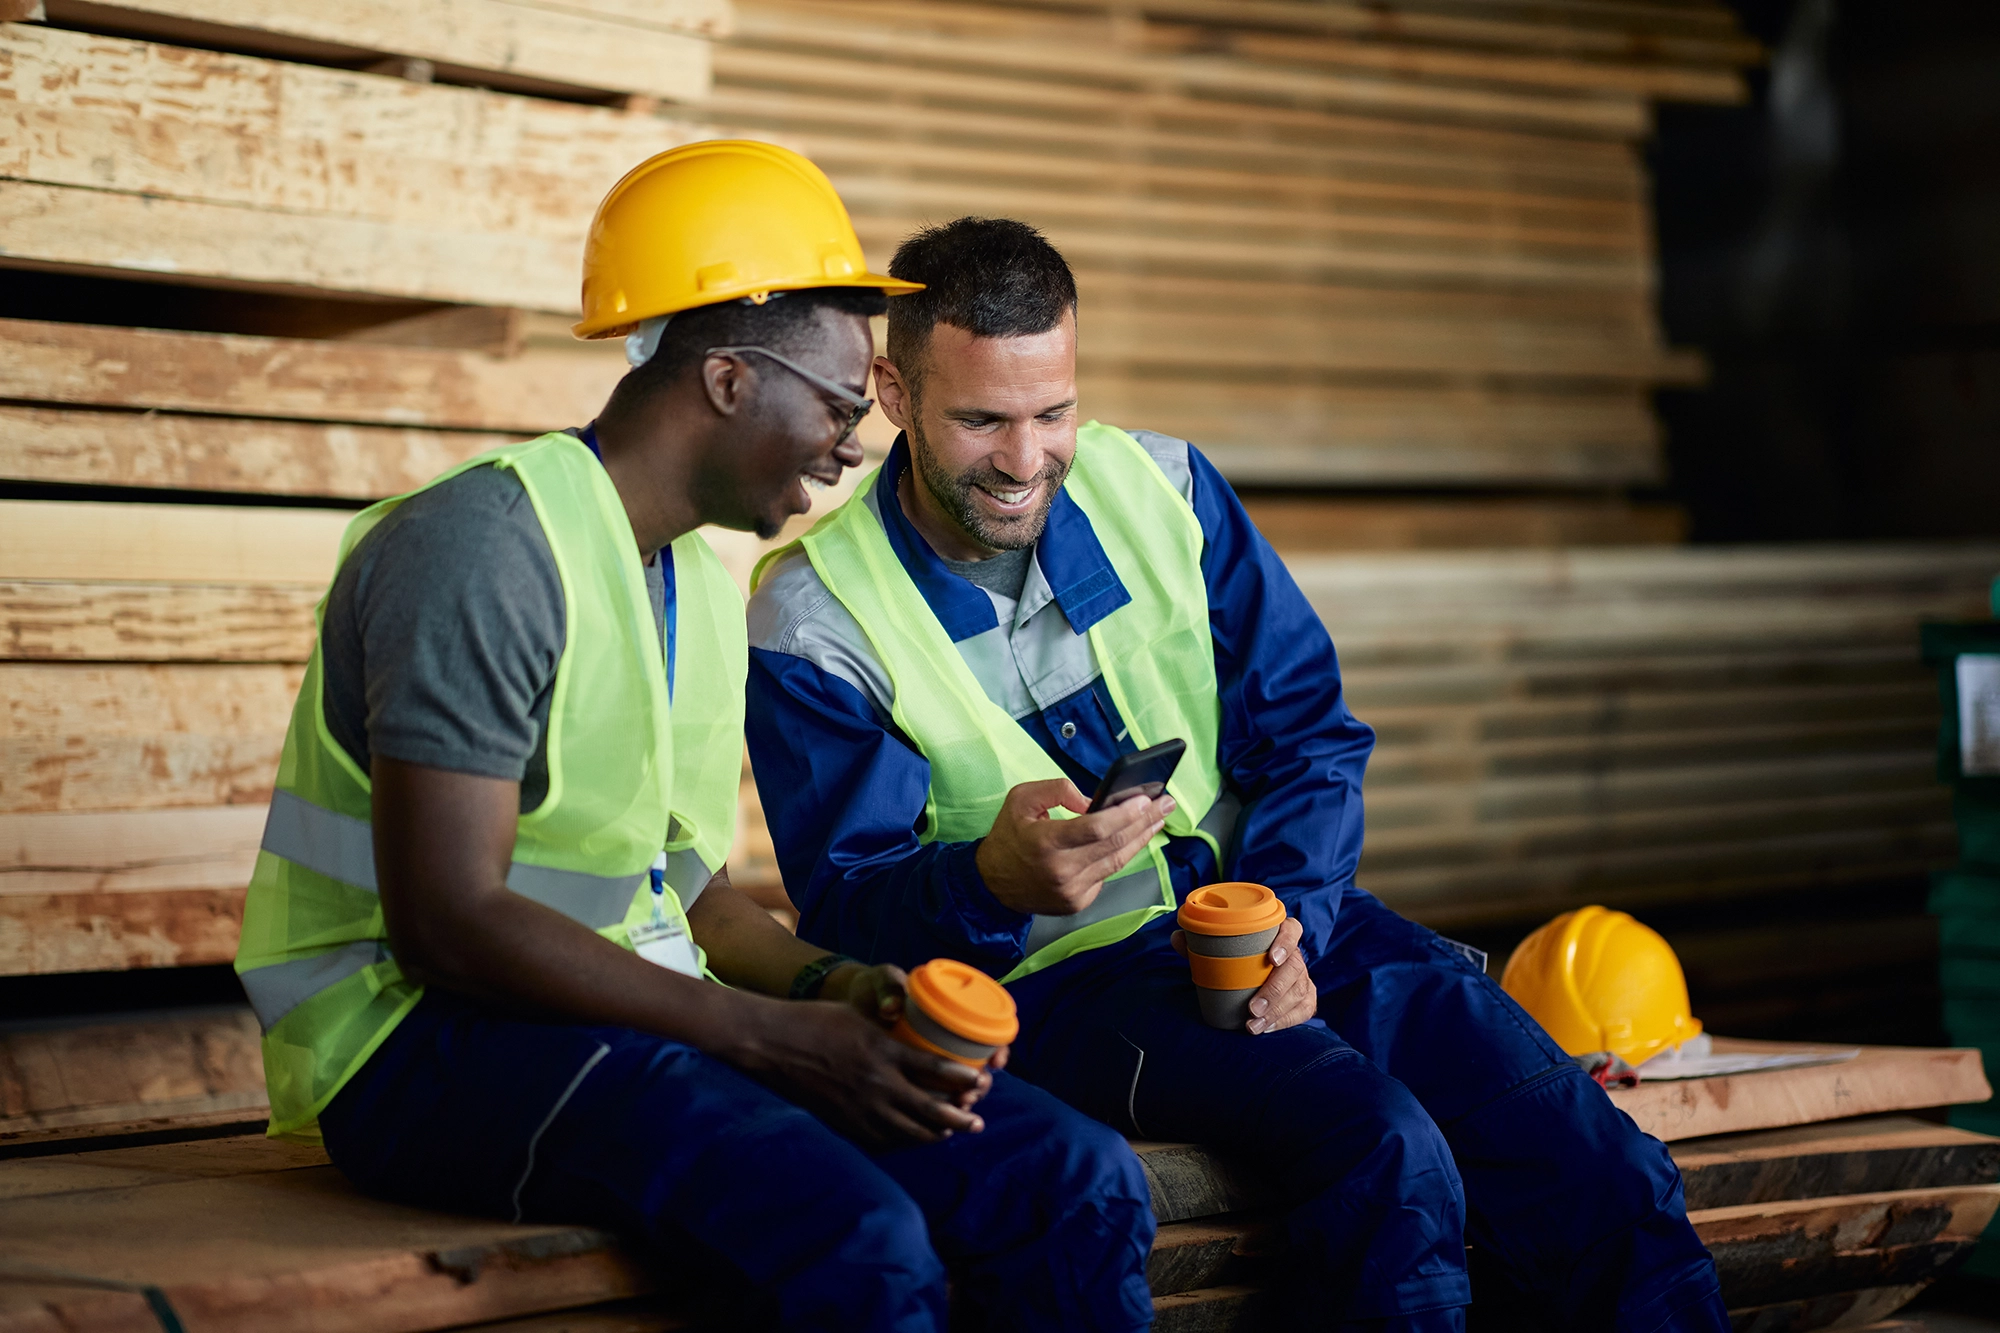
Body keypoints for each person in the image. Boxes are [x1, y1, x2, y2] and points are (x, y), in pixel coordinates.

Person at [744, 216, 1730, 1332]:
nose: (1026, 460)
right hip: (1069, 994)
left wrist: (1291, 924)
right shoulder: (813, 615)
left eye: (1051, 411)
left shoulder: (1161, 486)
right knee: (1382, 1150)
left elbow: (1308, 732)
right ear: (892, 390)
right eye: (981, 420)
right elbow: (849, 910)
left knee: (1574, 1146)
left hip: (1284, 922)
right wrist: (988, 881)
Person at [234, 150, 1155, 1333]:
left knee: (1066, 1178)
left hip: (616, 1015)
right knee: (858, 1242)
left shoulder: (703, 591)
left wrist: (837, 988)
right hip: (415, 1046)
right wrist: (774, 1037)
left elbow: (692, 899)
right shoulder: (481, 548)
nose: (849, 446)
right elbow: (447, 922)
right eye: (833, 404)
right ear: (726, 378)